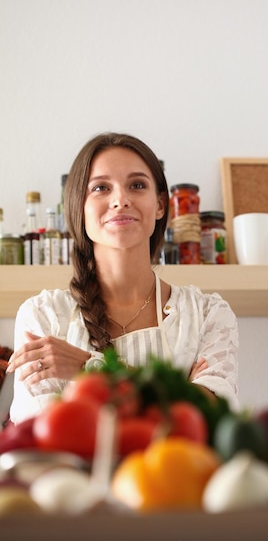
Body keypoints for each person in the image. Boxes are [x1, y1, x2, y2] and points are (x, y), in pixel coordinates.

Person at [7, 132, 239, 424]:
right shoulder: (44, 317)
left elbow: (214, 419)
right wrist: (178, 397)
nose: (120, 200)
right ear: (78, 207)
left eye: (137, 185)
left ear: (159, 205)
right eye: (101, 187)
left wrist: (89, 367)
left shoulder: (207, 314)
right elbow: (46, 434)